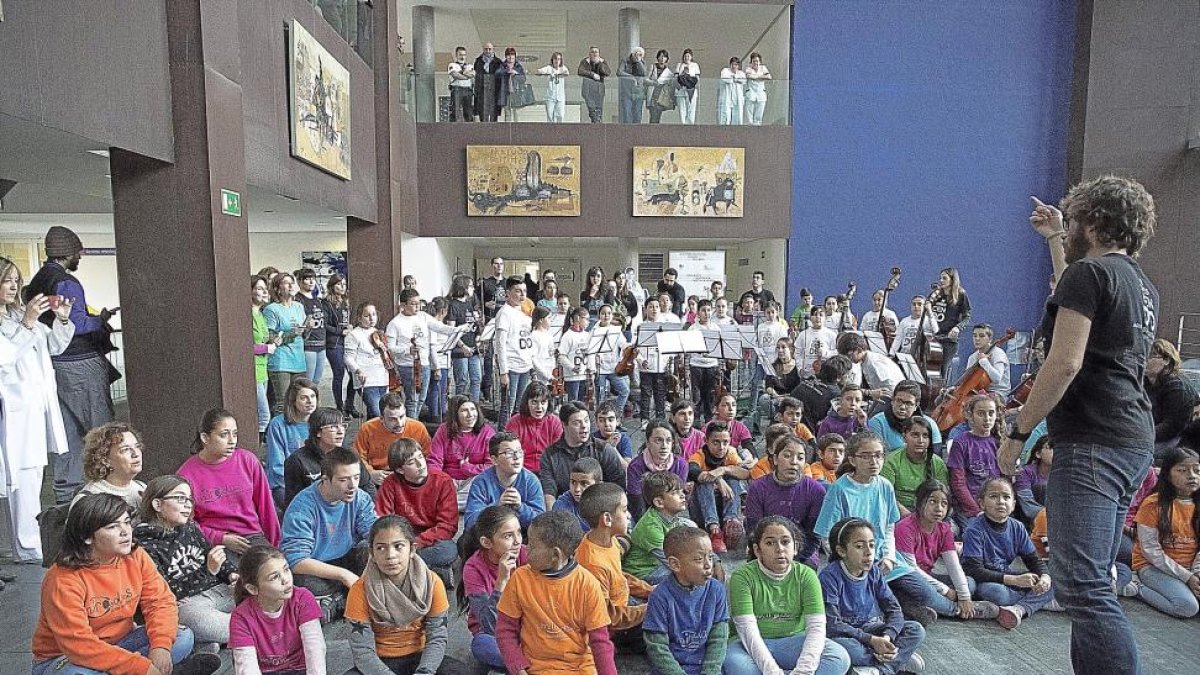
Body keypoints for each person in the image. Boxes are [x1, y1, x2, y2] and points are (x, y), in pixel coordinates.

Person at [31, 494, 220, 675]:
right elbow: (79, 645)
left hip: (122, 642)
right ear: (87, 537)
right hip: (67, 658)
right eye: (113, 527)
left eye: (127, 522)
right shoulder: (63, 579)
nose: (125, 532)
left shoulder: (135, 555)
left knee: (182, 637)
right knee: (74, 674)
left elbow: (160, 602)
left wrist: (161, 647)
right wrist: (140, 667)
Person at [23, 227, 116, 503]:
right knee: (100, 430)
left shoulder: (39, 280)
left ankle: (65, 496)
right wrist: (101, 319)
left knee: (67, 434)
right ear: (69, 252)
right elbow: (76, 324)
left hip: (54, 364)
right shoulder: (67, 282)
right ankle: (108, 492)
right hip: (81, 363)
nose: (80, 256)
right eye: (78, 251)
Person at [813, 432, 943, 625]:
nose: (873, 461)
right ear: (852, 460)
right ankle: (906, 610)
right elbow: (827, 537)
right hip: (853, 562)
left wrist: (889, 556)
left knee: (926, 594)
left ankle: (911, 605)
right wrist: (851, 563)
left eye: (878, 455)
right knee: (866, 612)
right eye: (866, 456)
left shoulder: (884, 486)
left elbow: (889, 527)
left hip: (883, 557)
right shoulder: (839, 489)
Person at [0, 256, 73, 560]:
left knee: (29, 478)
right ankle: (26, 550)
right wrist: (28, 323)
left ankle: (22, 547)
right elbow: (4, 358)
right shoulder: (20, 320)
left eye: (16, 280)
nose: (13, 286)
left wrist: (63, 320)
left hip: (33, 410)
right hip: (12, 413)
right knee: (17, 480)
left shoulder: (18, 314)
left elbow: (53, 346)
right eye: (7, 279)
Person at [723, 516, 852, 675]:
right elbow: (747, 630)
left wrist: (803, 671)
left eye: (785, 542)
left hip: (794, 642)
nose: (780, 549)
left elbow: (816, 628)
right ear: (757, 550)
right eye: (770, 543)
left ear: (795, 547)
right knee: (735, 664)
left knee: (839, 657)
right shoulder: (742, 577)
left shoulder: (806, 575)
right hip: (750, 645)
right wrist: (772, 672)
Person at [495, 511, 617, 675]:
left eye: (532, 543)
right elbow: (505, 629)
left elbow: (600, 641)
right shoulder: (520, 578)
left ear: (555, 555)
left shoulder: (587, 585)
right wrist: (518, 666)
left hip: (579, 668)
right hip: (534, 668)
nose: (526, 546)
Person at [345, 516, 468, 675]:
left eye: (398, 546)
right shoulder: (360, 589)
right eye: (381, 548)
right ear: (372, 553)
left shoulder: (432, 583)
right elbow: (362, 650)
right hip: (379, 660)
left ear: (412, 549)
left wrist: (425, 671)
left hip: (420, 656)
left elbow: (437, 638)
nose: (390, 555)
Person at [135, 475, 238, 648]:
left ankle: (207, 643)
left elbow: (214, 555)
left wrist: (232, 575)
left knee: (261, 595)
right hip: (189, 603)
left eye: (189, 499)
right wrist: (208, 571)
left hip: (219, 590)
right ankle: (250, 633)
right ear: (157, 504)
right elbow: (166, 590)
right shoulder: (144, 545)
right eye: (180, 498)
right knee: (200, 621)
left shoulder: (190, 528)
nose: (188, 504)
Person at [820, 518, 927, 675]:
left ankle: (882, 668)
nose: (869, 552)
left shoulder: (874, 572)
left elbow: (893, 608)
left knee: (916, 630)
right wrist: (871, 640)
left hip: (870, 629)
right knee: (849, 650)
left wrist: (887, 638)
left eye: (871, 545)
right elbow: (832, 624)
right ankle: (897, 659)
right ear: (842, 551)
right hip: (843, 635)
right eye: (859, 546)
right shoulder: (829, 577)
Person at [280, 447, 378, 614]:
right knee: (299, 581)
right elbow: (296, 561)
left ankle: (336, 601)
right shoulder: (302, 508)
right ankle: (346, 598)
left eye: (356, 477)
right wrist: (343, 575)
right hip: (316, 566)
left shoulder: (359, 497)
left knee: (374, 552)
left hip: (347, 557)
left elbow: (375, 534)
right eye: (343, 480)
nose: (352, 486)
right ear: (325, 480)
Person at [179, 409, 281, 558]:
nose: (232, 440)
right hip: (213, 542)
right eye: (224, 435)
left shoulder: (248, 460)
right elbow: (185, 522)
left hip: (252, 536)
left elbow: (266, 507)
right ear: (205, 438)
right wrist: (220, 538)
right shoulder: (186, 474)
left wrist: (274, 547)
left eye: (235, 434)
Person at [895, 480, 999, 620]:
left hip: (929, 577)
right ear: (918, 502)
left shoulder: (944, 529)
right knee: (924, 591)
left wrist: (964, 596)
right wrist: (946, 590)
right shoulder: (904, 527)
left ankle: (927, 608)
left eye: (944, 504)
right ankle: (958, 610)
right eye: (932, 501)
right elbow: (911, 568)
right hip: (907, 579)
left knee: (969, 583)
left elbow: (954, 566)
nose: (938, 508)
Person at [962, 477, 1057, 630]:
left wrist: (1044, 577)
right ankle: (1038, 600)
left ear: (1013, 504)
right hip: (983, 581)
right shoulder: (974, 529)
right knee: (995, 592)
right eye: (994, 496)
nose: (1001, 501)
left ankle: (1019, 609)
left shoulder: (1017, 527)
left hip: (1006, 576)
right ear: (981, 503)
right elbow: (974, 570)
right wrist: (1015, 580)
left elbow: (1033, 560)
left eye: (1006, 497)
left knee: (1055, 575)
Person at [576, 483, 653, 652]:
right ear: (607, 519)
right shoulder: (592, 563)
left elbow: (619, 577)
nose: (629, 515)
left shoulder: (610, 541)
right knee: (669, 621)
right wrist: (648, 609)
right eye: (624, 510)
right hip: (616, 628)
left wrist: (649, 591)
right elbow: (607, 617)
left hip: (625, 604)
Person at [642, 525, 728, 675]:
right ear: (675, 564)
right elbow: (657, 647)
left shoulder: (716, 590)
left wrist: (710, 671)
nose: (708, 565)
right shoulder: (660, 597)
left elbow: (719, 638)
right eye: (699, 559)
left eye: (710, 556)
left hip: (706, 667)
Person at [372, 439, 459, 585]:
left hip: (431, 538)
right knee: (368, 546)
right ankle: (431, 572)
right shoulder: (390, 483)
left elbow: (448, 526)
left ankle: (399, 571)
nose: (421, 464)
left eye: (421, 457)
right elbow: (382, 520)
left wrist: (414, 544)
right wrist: (400, 543)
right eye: (412, 462)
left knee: (448, 549)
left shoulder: (443, 481)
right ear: (400, 470)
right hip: (399, 538)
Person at [229, 545, 325, 674]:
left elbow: (315, 649)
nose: (285, 579)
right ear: (252, 589)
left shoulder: (303, 598)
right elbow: (247, 667)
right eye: (274, 577)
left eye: (286, 569)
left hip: (301, 669)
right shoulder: (241, 617)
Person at [1130, 446, 1200, 618]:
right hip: (1153, 566)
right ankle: (1136, 587)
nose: (1191, 475)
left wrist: (1197, 574)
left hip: (1191, 568)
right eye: (1183, 470)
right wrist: (1187, 577)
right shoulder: (1153, 504)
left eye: (1197, 470)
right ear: (1168, 475)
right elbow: (1151, 551)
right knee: (1187, 607)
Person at [459, 505, 527, 670]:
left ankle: (520, 664)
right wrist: (501, 582)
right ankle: (527, 663)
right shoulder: (473, 568)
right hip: (494, 634)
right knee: (482, 645)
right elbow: (489, 625)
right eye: (508, 536)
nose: (518, 541)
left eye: (519, 532)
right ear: (487, 542)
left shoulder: (525, 554)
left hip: (527, 628)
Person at [744, 434, 826, 568]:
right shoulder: (758, 488)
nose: (794, 462)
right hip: (766, 548)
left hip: (802, 552)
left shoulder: (816, 491)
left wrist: (793, 558)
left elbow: (814, 536)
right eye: (787, 456)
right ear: (775, 459)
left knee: (808, 569)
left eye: (800, 458)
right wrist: (769, 554)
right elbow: (753, 530)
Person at [539, 401, 627, 510]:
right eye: (577, 423)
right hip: (566, 510)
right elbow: (549, 494)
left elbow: (619, 486)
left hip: (601, 507)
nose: (584, 426)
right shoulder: (550, 456)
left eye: (586, 421)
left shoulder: (603, 449)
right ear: (564, 424)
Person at [386, 289, 458, 421]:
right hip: (408, 365)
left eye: (418, 303)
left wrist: (456, 330)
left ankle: (413, 422)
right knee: (412, 399)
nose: (417, 307)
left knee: (422, 398)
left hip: (424, 363)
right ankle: (411, 427)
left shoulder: (423, 316)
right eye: (413, 304)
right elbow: (390, 347)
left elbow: (439, 327)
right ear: (403, 305)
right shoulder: (395, 323)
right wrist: (407, 350)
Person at [282, 407, 375, 507]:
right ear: (318, 432)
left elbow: (367, 486)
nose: (340, 431)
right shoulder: (297, 461)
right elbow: (294, 501)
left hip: (350, 510)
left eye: (343, 426)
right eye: (333, 427)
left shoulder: (349, 454)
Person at [462, 431, 545, 531]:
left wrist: (520, 507)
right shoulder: (481, 482)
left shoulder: (531, 481)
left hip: (521, 533)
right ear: (494, 460)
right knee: (464, 542)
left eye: (519, 451)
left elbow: (540, 525)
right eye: (509, 453)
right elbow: (469, 523)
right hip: (490, 534)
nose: (516, 457)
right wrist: (496, 506)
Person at [688, 422, 749, 554]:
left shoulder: (730, 454)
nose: (721, 447)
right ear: (706, 441)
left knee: (733, 478)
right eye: (716, 442)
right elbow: (693, 471)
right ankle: (714, 529)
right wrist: (717, 478)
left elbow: (745, 473)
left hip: (725, 505)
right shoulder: (699, 455)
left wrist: (723, 469)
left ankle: (730, 523)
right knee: (704, 482)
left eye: (725, 442)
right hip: (703, 512)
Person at [947, 394, 1003, 530]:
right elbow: (958, 483)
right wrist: (977, 510)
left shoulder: (1000, 442)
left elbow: (1005, 480)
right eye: (981, 413)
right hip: (969, 508)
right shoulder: (961, 442)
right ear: (970, 415)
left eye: (991, 413)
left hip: (996, 505)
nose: (987, 418)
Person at [354, 392, 433, 486]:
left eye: (402, 416)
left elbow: (429, 456)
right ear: (382, 419)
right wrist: (370, 473)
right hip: (379, 476)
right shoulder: (367, 429)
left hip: (411, 473)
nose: (399, 423)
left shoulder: (418, 428)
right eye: (392, 419)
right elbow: (358, 457)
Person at [264, 378, 319, 505]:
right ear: (293, 401)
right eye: (304, 398)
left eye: (313, 396)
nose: (310, 401)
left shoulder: (321, 422)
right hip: (286, 484)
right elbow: (276, 466)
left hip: (318, 482)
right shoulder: (277, 425)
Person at [428, 395, 495, 499]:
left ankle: (449, 503)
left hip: (474, 480)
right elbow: (434, 461)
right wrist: (440, 481)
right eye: (464, 410)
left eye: (473, 409)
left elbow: (491, 465)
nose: (470, 415)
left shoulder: (487, 432)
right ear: (455, 415)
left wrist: (468, 468)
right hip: (449, 479)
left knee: (481, 484)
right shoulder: (444, 430)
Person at [263, 272, 311, 414]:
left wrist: (307, 329)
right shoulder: (271, 309)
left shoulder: (299, 306)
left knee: (300, 401)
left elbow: (302, 335)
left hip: (298, 359)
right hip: (281, 361)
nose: (291, 285)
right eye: (286, 282)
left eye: (292, 282)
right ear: (277, 288)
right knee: (283, 403)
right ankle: (278, 434)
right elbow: (269, 336)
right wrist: (292, 333)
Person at [880, 417, 949, 515]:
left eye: (925, 436)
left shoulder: (937, 463)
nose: (920, 440)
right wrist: (908, 516)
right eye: (915, 435)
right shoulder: (891, 461)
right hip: (897, 510)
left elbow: (942, 496)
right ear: (904, 436)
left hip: (929, 510)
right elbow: (885, 496)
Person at [72, 421, 146, 509]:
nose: (136, 454)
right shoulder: (89, 499)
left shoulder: (142, 488)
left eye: (137, 446)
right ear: (104, 459)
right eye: (125, 449)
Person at [1146, 338, 1199, 458]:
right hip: (1149, 433)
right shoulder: (1145, 382)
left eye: (1150, 356)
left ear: (1166, 360)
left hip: (1175, 440)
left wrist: (1141, 435)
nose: (1144, 359)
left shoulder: (1177, 386)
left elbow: (1172, 426)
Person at [627, 421, 690, 522]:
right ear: (648, 442)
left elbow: (676, 500)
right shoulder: (636, 466)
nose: (664, 446)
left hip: (670, 514)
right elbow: (636, 503)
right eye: (658, 440)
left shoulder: (681, 464)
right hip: (642, 515)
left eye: (668, 440)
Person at [494, 276, 535, 429]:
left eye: (524, 291)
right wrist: (503, 371)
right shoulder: (504, 313)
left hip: (524, 364)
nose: (522, 295)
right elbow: (500, 344)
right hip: (511, 366)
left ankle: (516, 433)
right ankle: (502, 435)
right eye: (518, 291)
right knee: (507, 405)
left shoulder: (523, 314)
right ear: (508, 293)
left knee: (520, 405)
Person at [866, 381, 945, 455]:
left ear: (916, 406)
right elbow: (876, 456)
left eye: (908, 403)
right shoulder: (877, 422)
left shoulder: (929, 424)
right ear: (892, 401)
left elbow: (936, 456)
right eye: (899, 401)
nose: (902, 407)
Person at [344, 301, 390, 419]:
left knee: (377, 413)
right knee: (377, 412)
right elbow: (348, 357)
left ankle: (370, 436)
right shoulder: (354, 334)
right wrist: (358, 371)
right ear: (359, 318)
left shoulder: (378, 333)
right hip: (367, 379)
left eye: (374, 314)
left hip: (382, 377)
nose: (371, 318)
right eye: (367, 315)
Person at [504, 381, 563, 474]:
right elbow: (510, 453)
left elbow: (558, 454)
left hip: (548, 471)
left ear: (548, 403)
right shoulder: (514, 422)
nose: (539, 407)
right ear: (526, 403)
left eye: (543, 402)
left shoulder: (555, 422)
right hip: (521, 471)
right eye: (534, 402)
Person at [321, 273, 358, 418]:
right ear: (332, 286)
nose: (342, 287)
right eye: (338, 284)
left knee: (353, 373)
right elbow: (325, 325)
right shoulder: (326, 303)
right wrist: (340, 331)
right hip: (334, 343)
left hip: (348, 341)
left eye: (343, 284)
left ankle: (350, 404)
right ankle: (339, 405)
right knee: (339, 374)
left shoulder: (346, 302)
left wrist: (350, 327)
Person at [929, 268, 972, 381]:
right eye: (940, 278)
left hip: (948, 340)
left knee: (943, 369)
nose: (941, 280)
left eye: (944, 278)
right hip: (933, 338)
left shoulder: (961, 294)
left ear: (952, 280)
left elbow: (967, 316)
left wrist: (958, 327)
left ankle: (939, 393)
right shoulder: (936, 294)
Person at [446, 274, 483, 402]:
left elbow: (474, 324)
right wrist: (463, 346)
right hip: (460, 349)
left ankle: (475, 406)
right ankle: (458, 407)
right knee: (462, 381)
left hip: (473, 346)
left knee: (476, 378)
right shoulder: (453, 305)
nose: (473, 289)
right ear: (464, 288)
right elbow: (452, 331)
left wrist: (478, 335)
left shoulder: (469, 303)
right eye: (471, 286)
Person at [837, 332, 904, 401]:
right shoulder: (866, 360)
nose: (848, 359)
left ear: (859, 350)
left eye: (849, 355)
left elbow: (891, 388)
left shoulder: (875, 364)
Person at [251, 275, 276, 438]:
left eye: (265, 288)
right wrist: (266, 347)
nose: (265, 292)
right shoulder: (249, 315)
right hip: (253, 369)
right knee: (264, 415)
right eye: (260, 288)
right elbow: (244, 345)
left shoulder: (260, 314)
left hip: (263, 368)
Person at [293, 268, 327, 385]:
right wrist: (306, 325)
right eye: (307, 279)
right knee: (307, 382)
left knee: (316, 381)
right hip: (308, 346)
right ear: (299, 281)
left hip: (321, 345)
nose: (311, 282)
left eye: (313, 278)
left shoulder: (317, 300)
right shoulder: (297, 300)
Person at [552, 456, 603, 532]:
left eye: (584, 483)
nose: (577, 489)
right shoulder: (561, 505)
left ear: (598, 485)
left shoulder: (607, 503)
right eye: (573, 482)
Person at [558, 307, 594, 401]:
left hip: (584, 374)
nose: (588, 322)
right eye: (586, 319)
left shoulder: (587, 335)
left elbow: (590, 354)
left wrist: (591, 368)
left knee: (582, 400)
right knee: (573, 400)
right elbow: (561, 356)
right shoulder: (568, 335)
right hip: (572, 376)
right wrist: (572, 367)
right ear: (578, 318)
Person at [1014, 436, 1052, 525]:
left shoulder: (1062, 473)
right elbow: (1027, 503)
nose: (1055, 451)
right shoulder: (1025, 472)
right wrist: (1050, 515)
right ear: (1038, 454)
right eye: (1050, 447)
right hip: (1029, 523)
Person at [795, 307, 838, 378]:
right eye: (815, 315)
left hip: (825, 374)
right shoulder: (803, 334)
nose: (818, 317)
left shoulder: (831, 335)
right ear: (810, 318)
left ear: (825, 317)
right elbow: (798, 353)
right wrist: (800, 368)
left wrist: (825, 353)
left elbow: (836, 352)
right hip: (807, 374)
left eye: (821, 315)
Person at [577, 46, 611, 123]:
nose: (594, 54)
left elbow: (607, 72)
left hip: (599, 90)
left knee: (599, 110)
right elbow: (580, 71)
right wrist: (592, 75)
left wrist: (601, 63)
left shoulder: (602, 62)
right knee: (591, 108)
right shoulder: (585, 62)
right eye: (593, 52)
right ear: (589, 54)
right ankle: (595, 122)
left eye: (596, 52)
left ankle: (597, 123)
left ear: (599, 54)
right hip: (588, 90)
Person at [536, 51, 570, 122]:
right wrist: (545, 73)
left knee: (560, 115)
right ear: (552, 60)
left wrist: (556, 74)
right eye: (555, 59)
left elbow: (567, 73)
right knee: (550, 116)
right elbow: (539, 71)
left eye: (558, 59)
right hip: (550, 96)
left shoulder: (562, 68)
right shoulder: (549, 68)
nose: (557, 61)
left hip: (560, 97)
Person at [497, 47, 527, 122]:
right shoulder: (502, 65)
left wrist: (516, 73)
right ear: (506, 56)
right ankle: (507, 130)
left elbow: (523, 79)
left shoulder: (518, 66)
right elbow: (497, 74)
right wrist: (507, 71)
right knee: (507, 112)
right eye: (508, 55)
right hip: (505, 92)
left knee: (516, 112)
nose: (510, 57)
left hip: (516, 92)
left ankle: (517, 130)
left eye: (512, 55)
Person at [473, 43, 502, 122]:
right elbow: (476, 77)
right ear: (483, 49)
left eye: (490, 49)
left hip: (494, 91)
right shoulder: (478, 61)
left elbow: (500, 78)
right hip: (482, 91)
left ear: (493, 50)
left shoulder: (498, 62)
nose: (488, 51)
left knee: (493, 113)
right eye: (486, 49)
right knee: (483, 112)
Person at [618, 47, 647, 124]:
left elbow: (644, 73)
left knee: (638, 115)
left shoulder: (642, 62)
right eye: (637, 54)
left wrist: (639, 61)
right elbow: (619, 72)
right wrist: (632, 77)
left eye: (641, 55)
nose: (638, 56)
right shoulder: (625, 61)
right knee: (627, 114)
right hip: (627, 92)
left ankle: (636, 133)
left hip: (639, 92)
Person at [646, 49, 674, 124]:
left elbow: (671, 86)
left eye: (664, 57)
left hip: (661, 96)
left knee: (658, 116)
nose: (662, 58)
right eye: (660, 56)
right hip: (653, 95)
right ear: (657, 57)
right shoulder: (652, 67)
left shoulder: (668, 72)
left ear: (667, 59)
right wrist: (653, 83)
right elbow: (645, 80)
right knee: (653, 116)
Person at [742, 52, 772, 125]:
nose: (755, 63)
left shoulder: (763, 68)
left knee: (759, 114)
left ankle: (757, 128)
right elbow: (749, 76)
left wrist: (756, 77)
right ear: (751, 62)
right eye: (754, 61)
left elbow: (769, 77)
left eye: (757, 61)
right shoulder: (748, 69)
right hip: (751, 93)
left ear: (760, 62)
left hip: (761, 94)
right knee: (749, 114)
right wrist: (761, 77)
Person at [448, 46, 475, 122]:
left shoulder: (469, 66)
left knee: (469, 112)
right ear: (456, 55)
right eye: (460, 54)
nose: (462, 57)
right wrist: (466, 76)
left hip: (467, 90)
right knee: (455, 111)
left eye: (464, 55)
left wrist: (461, 74)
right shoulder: (452, 65)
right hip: (457, 89)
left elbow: (472, 74)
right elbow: (455, 75)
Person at [717, 57, 746, 125]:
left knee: (737, 117)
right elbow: (725, 79)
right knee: (725, 116)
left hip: (737, 99)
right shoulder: (725, 71)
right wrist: (735, 79)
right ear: (730, 65)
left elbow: (744, 81)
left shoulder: (741, 73)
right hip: (727, 98)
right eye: (733, 64)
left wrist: (735, 78)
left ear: (738, 66)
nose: (734, 66)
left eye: (736, 65)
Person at [674, 49, 700, 125]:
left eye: (688, 56)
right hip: (681, 89)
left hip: (691, 89)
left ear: (691, 57)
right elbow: (676, 76)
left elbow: (697, 78)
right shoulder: (679, 65)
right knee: (682, 108)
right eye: (685, 56)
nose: (686, 57)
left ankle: (690, 124)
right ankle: (683, 123)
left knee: (691, 108)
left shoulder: (695, 65)